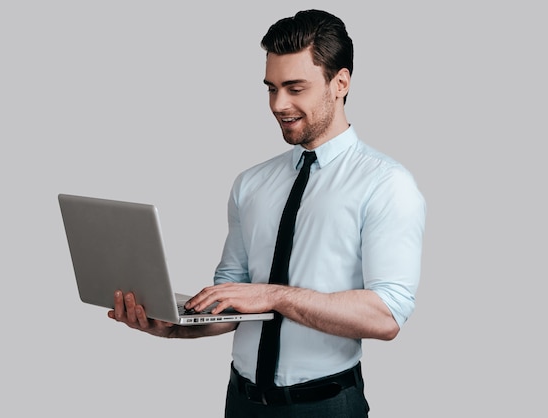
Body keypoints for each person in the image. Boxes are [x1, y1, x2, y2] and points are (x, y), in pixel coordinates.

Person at [108, 9, 426, 417]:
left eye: (295, 88)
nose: (279, 104)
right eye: (271, 88)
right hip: (242, 402)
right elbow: (235, 300)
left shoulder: (387, 184)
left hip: (325, 407)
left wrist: (273, 294)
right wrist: (174, 326)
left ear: (340, 83)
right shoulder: (251, 184)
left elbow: (386, 316)